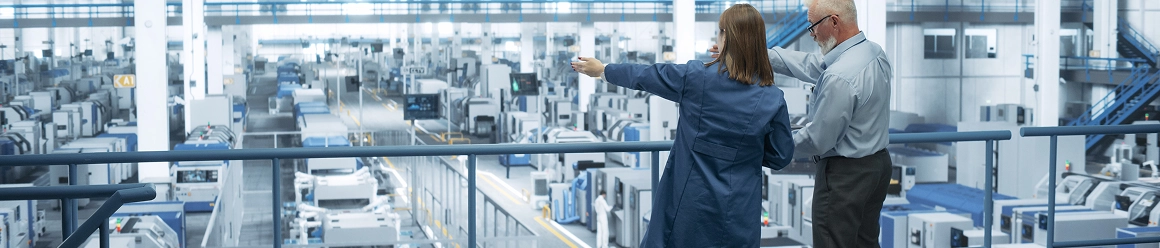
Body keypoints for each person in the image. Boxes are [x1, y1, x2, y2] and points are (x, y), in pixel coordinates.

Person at [572, 4, 795, 247]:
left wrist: (603, 70)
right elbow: (780, 156)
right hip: (739, 212)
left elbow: (647, 75)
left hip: (689, 207)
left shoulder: (697, 77)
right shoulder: (772, 97)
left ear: (724, 37)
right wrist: (745, 152)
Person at [710, 0, 893, 246]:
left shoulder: (840, 76)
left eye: (813, 26)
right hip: (877, 167)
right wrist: (754, 54)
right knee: (865, 241)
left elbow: (817, 139)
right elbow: (811, 65)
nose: (812, 34)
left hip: (845, 178)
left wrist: (768, 147)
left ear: (834, 22)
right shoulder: (872, 52)